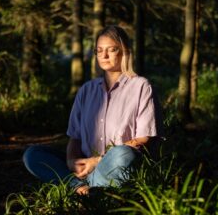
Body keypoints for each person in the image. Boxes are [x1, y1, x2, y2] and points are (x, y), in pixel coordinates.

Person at [23, 25, 162, 195]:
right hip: (84, 168)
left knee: (124, 154)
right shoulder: (86, 90)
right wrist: (71, 161)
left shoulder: (141, 86)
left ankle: (85, 188)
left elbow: (143, 139)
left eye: (111, 50)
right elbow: (75, 138)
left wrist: (98, 161)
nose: (104, 56)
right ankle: (83, 188)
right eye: (99, 50)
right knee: (33, 154)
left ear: (124, 51)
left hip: (117, 166)